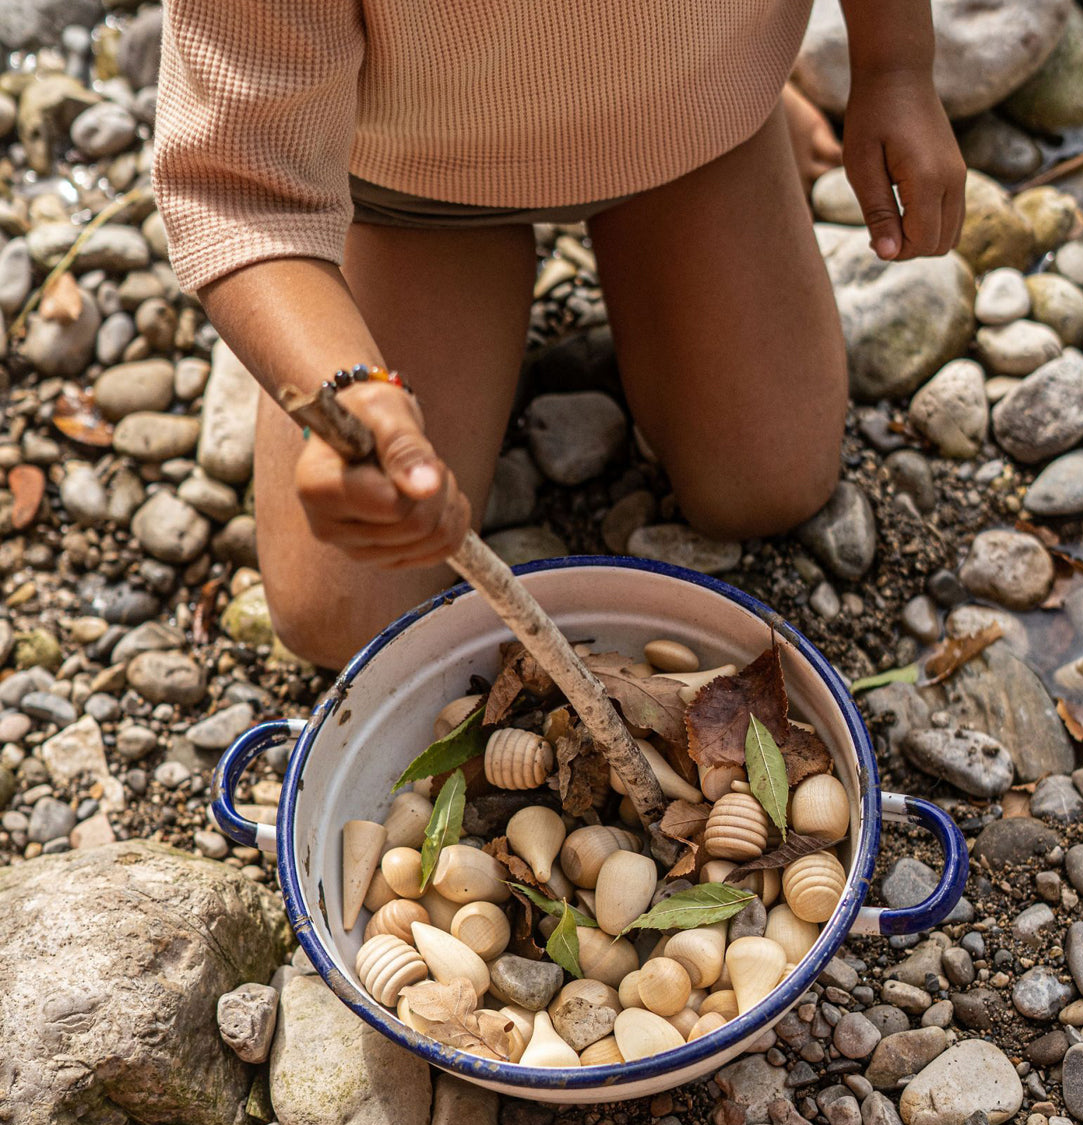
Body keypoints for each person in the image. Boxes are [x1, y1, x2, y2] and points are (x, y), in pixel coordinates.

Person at [154, 0, 965, 669]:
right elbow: (239, 188)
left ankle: (762, 98)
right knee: (347, 614)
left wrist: (895, 65)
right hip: (415, 178)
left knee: (769, 480)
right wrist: (342, 389)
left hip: (692, 115)